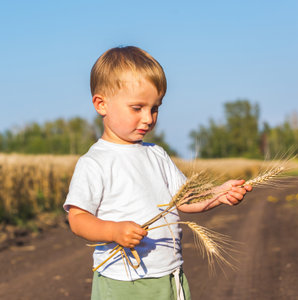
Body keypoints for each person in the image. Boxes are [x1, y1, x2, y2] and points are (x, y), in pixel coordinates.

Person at [63, 46, 252, 300]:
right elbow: (77, 218)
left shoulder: (157, 154)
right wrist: (113, 231)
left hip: (169, 277)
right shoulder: (95, 162)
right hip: (122, 283)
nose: (149, 118)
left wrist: (218, 193)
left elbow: (184, 200)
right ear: (101, 104)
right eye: (137, 108)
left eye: (155, 108)